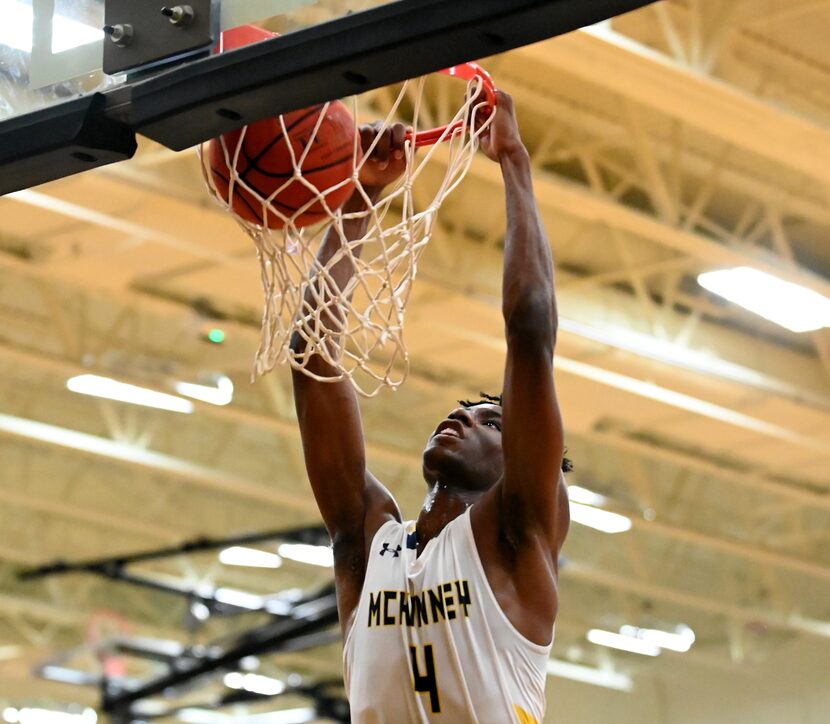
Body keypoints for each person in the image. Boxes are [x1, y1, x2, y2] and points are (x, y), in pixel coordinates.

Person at [290, 91, 569, 724]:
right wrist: (358, 201)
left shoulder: (518, 539)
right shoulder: (368, 543)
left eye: (493, 421)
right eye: (468, 411)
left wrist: (514, 162)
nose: (467, 417)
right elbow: (312, 351)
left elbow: (530, 324)